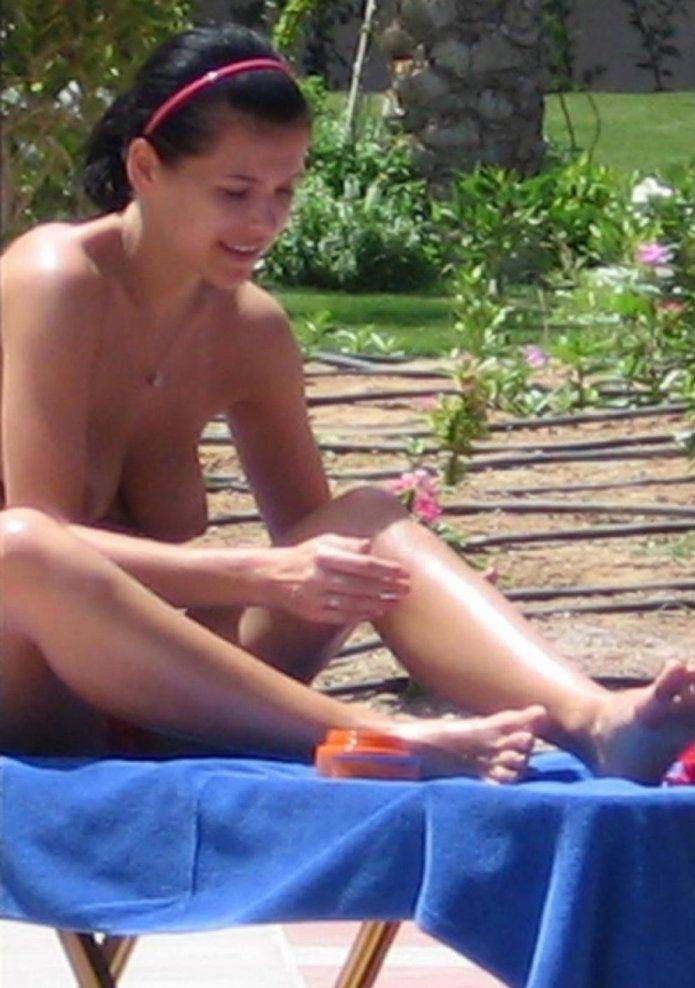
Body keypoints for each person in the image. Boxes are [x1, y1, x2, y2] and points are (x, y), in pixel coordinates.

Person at [1, 23, 693, 783]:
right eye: (235, 192)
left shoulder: (250, 329)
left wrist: (317, 576)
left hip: (170, 695)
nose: (263, 222)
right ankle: (379, 735)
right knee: (20, 548)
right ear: (145, 167)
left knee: (365, 524)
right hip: (34, 690)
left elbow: (318, 555)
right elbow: (52, 536)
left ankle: (595, 720)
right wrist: (258, 574)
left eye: (283, 192)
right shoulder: (57, 279)